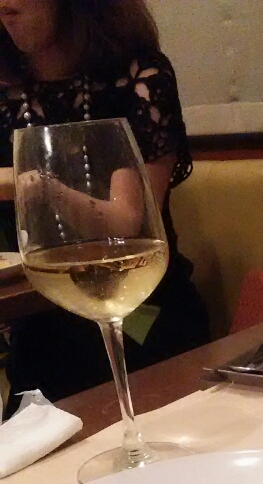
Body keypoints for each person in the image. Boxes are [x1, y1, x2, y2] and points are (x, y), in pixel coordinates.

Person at [0, 0, 210, 413]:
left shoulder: (137, 78)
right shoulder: (6, 89)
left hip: (140, 320)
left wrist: (34, 183)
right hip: (40, 334)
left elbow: (126, 226)